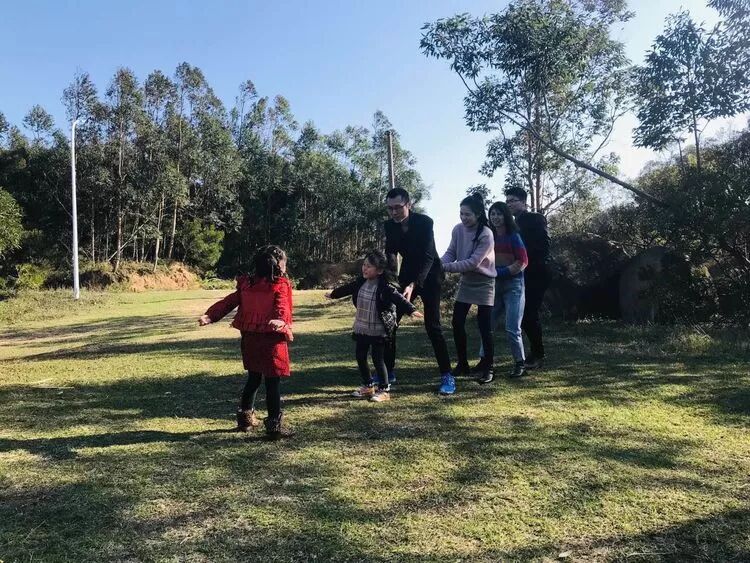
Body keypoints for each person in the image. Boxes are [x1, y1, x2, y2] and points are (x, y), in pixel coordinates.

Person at [199, 245, 294, 440]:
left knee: (254, 378)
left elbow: (228, 302)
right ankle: (274, 426)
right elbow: (282, 304)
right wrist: (280, 320)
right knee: (272, 382)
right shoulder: (280, 284)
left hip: (250, 338)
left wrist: (211, 315)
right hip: (271, 339)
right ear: (278, 265)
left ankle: (245, 419)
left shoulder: (247, 284)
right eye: (284, 263)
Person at [326, 249, 423, 402]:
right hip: (362, 326)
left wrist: (411, 310)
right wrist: (333, 294)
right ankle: (368, 386)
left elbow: (398, 298)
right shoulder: (360, 282)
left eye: (369, 266)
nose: (364, 268)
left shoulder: (386, 287)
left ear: (379, 270)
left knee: (378, 359)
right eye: (364, 265)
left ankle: (384, 390)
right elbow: (347, 288)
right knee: (360, 356)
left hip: (378, 329)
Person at [383, 187, 455, 395]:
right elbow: (390, 254)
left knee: (433, 326)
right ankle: (388, 371)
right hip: (406, 275)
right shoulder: (389, 226)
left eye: (398, 207)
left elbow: (428, 256)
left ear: (409, 205)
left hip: (430, 275)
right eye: (390, 208)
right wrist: (390, 281)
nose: (394, 212)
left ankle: (447, 375)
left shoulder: (425, 222)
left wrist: (414, 284)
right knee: (390, 321)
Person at [441, 194, 497, 384]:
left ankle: (489, 367)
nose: (463, 218)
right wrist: (439, 264)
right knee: (457, 322)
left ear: (478, 214)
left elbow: (473, 263)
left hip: (484, 282)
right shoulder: (458, 229)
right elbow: (451, 253)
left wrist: (444, 268)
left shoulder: (486, 234)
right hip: (467, 282)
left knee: (484, 326)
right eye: (461, 213)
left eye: (467, 214)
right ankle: (462, 363)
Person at [478, 201, 528, 378]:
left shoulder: (514, 236)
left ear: (506, 216)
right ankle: (484, 361)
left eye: (499, 214)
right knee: (487, 325)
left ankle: (519, 363)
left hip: (514, 286)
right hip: (494, 286)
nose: (495, 217)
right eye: (493, 214)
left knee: (512, 327)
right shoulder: (488, 236)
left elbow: (523, 261)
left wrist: (501, 272)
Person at [505, 187, 551, 369]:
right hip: (519, 273)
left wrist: (523, 259)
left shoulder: (535, 218)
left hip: (536, 272)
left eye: (513, 201)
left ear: (524, 202)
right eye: (507, 201)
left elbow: (544, 245)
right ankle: (535, 353)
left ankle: (538, 355)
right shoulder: (510, 223)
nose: (509, 204)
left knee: (529, 314)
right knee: (524, 315)